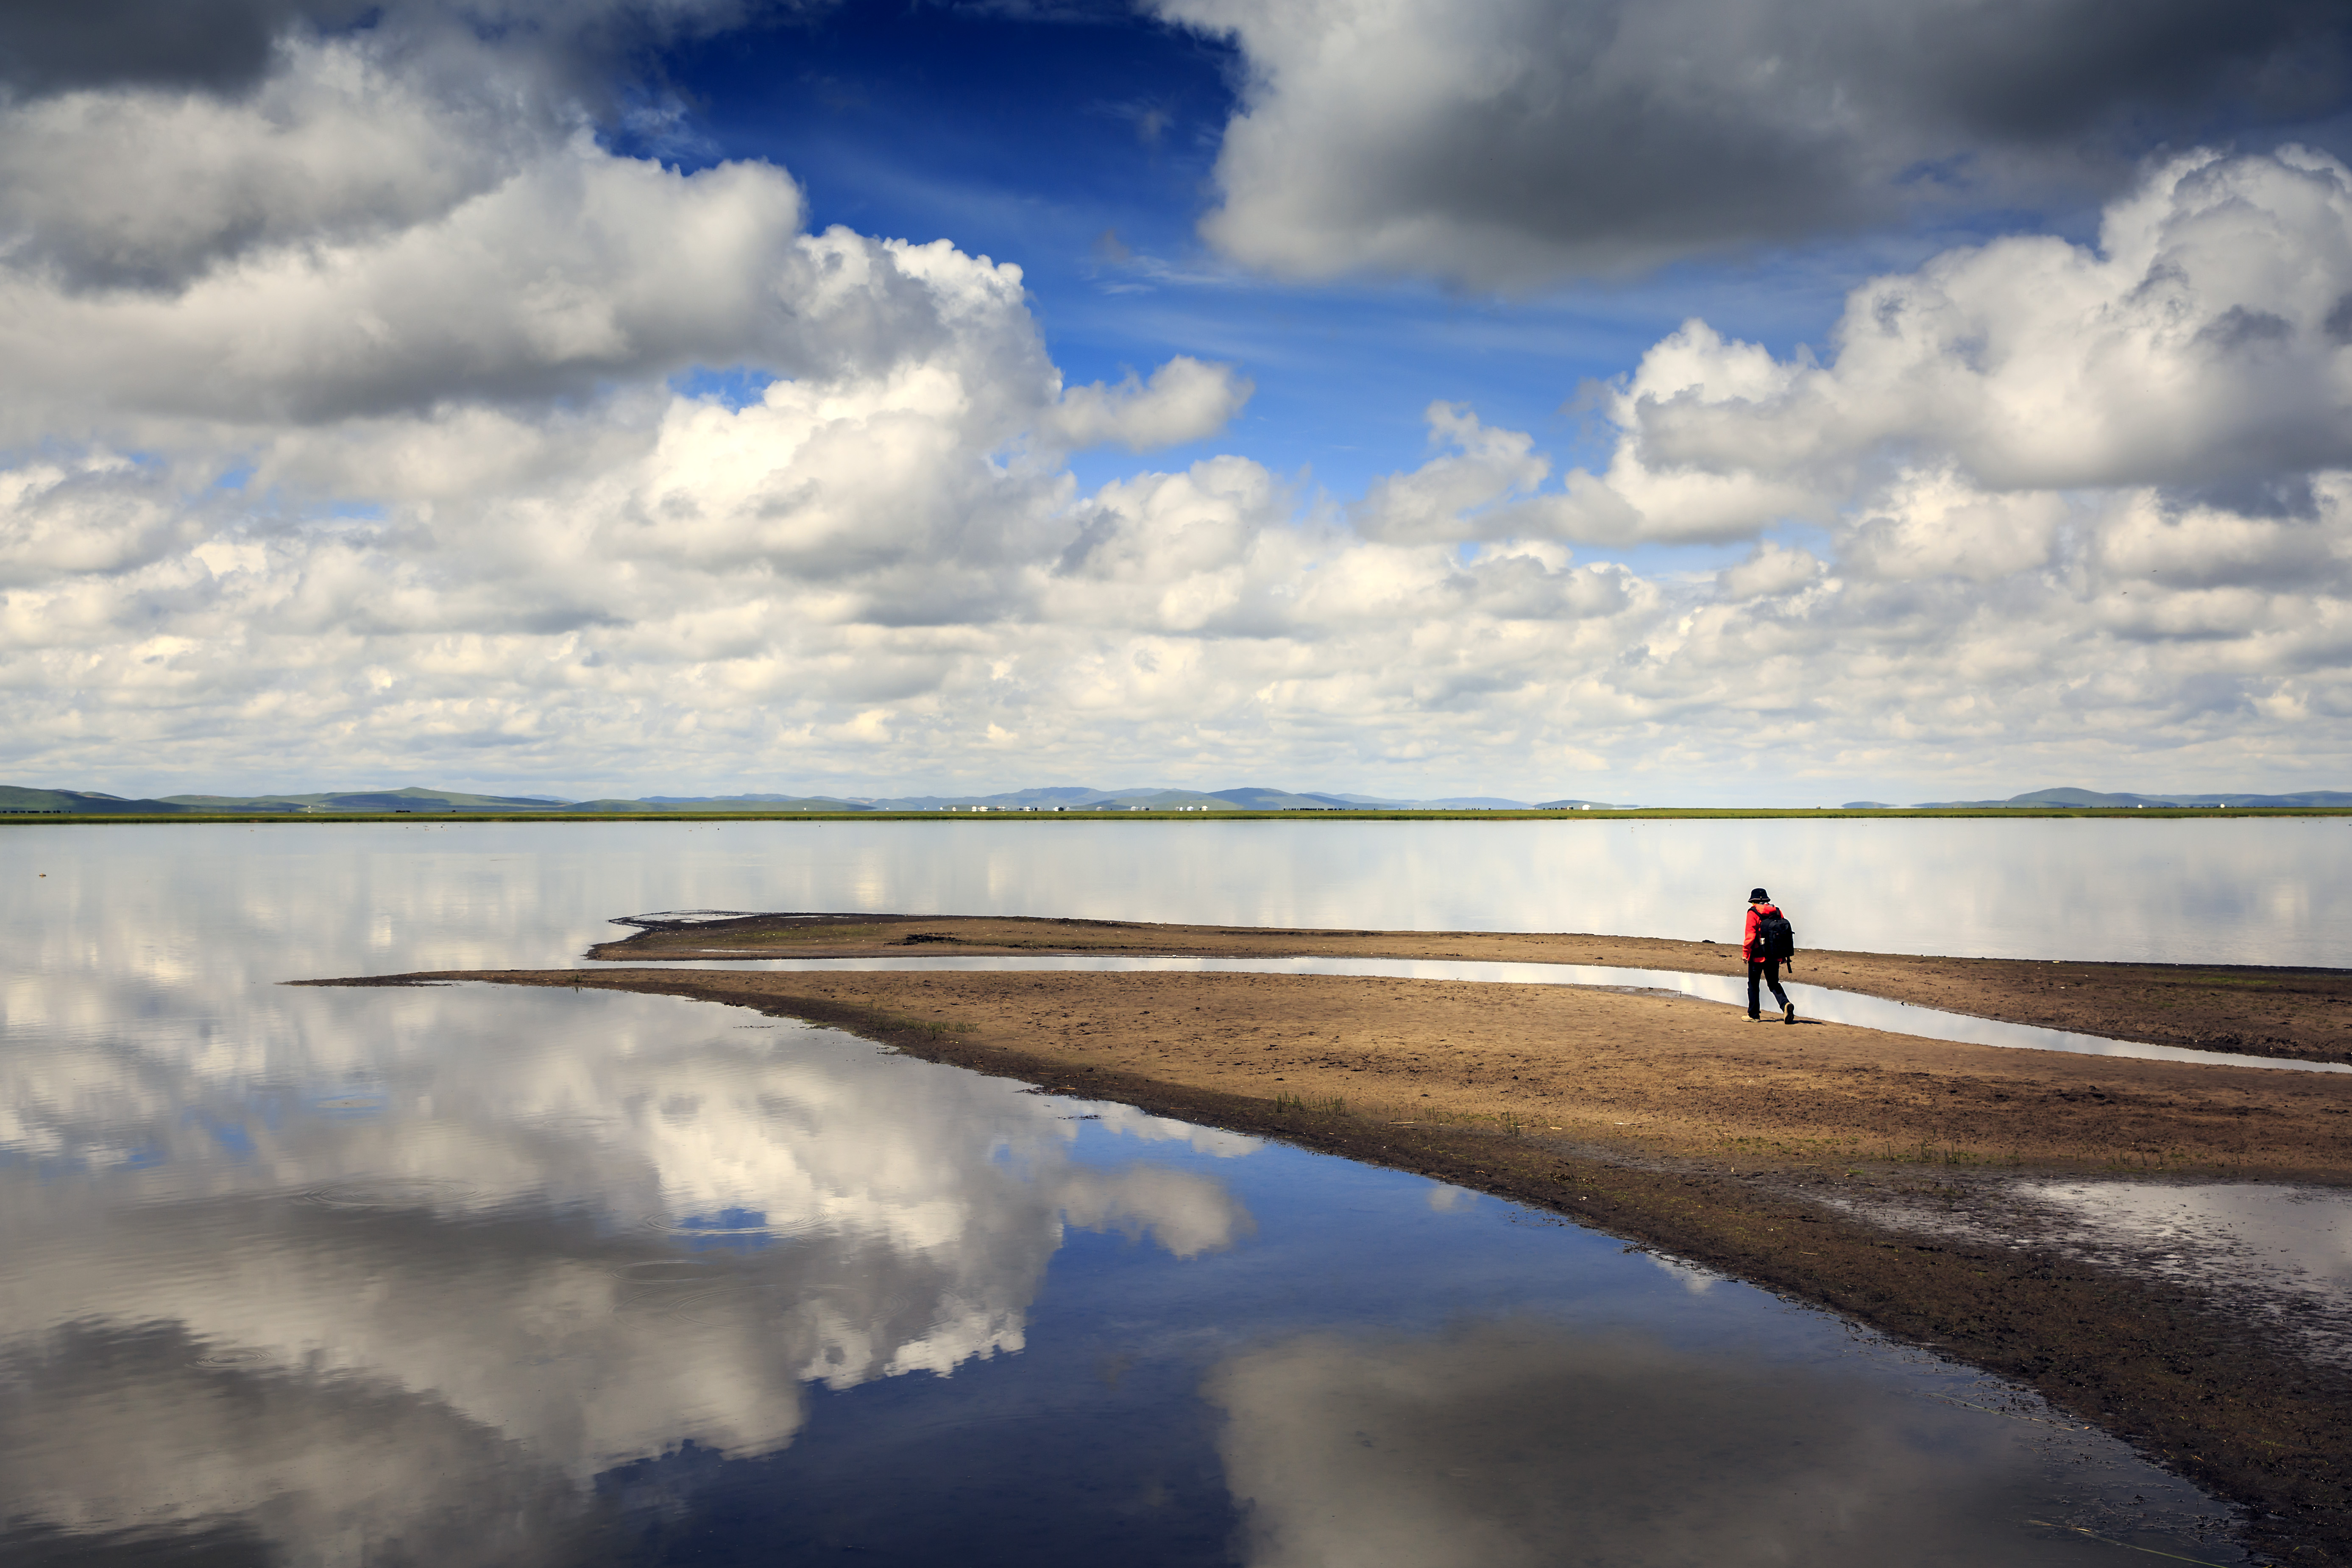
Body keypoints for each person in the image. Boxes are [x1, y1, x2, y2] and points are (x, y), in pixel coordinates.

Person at [1743, 888, 1796, 1023]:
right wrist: (1783, 956)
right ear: (1767, 900)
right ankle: (1785, 1005)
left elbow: (1750, 936)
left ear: (1754, 902)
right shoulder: (1778, 911)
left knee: (1753, 985)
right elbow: (1783, 935)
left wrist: (1745, 954)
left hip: (1757, 956)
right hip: (1775, 955)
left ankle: (1754, 1015)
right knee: (1774, 984)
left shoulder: (1753, 912)